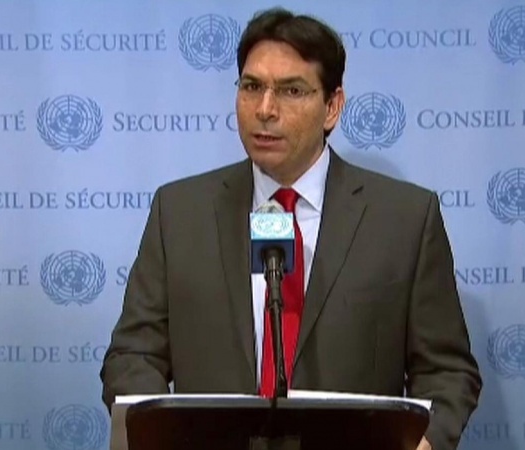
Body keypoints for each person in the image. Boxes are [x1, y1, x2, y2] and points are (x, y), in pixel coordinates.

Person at [100, 7, 481, 450]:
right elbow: (133, 355)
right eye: (251, 87)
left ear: (332, 106)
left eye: (291, 90)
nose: (265, 109)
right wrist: (160, 433)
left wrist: (426, 442)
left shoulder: (405, 218)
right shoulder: (180, 212)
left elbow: (447, 371)